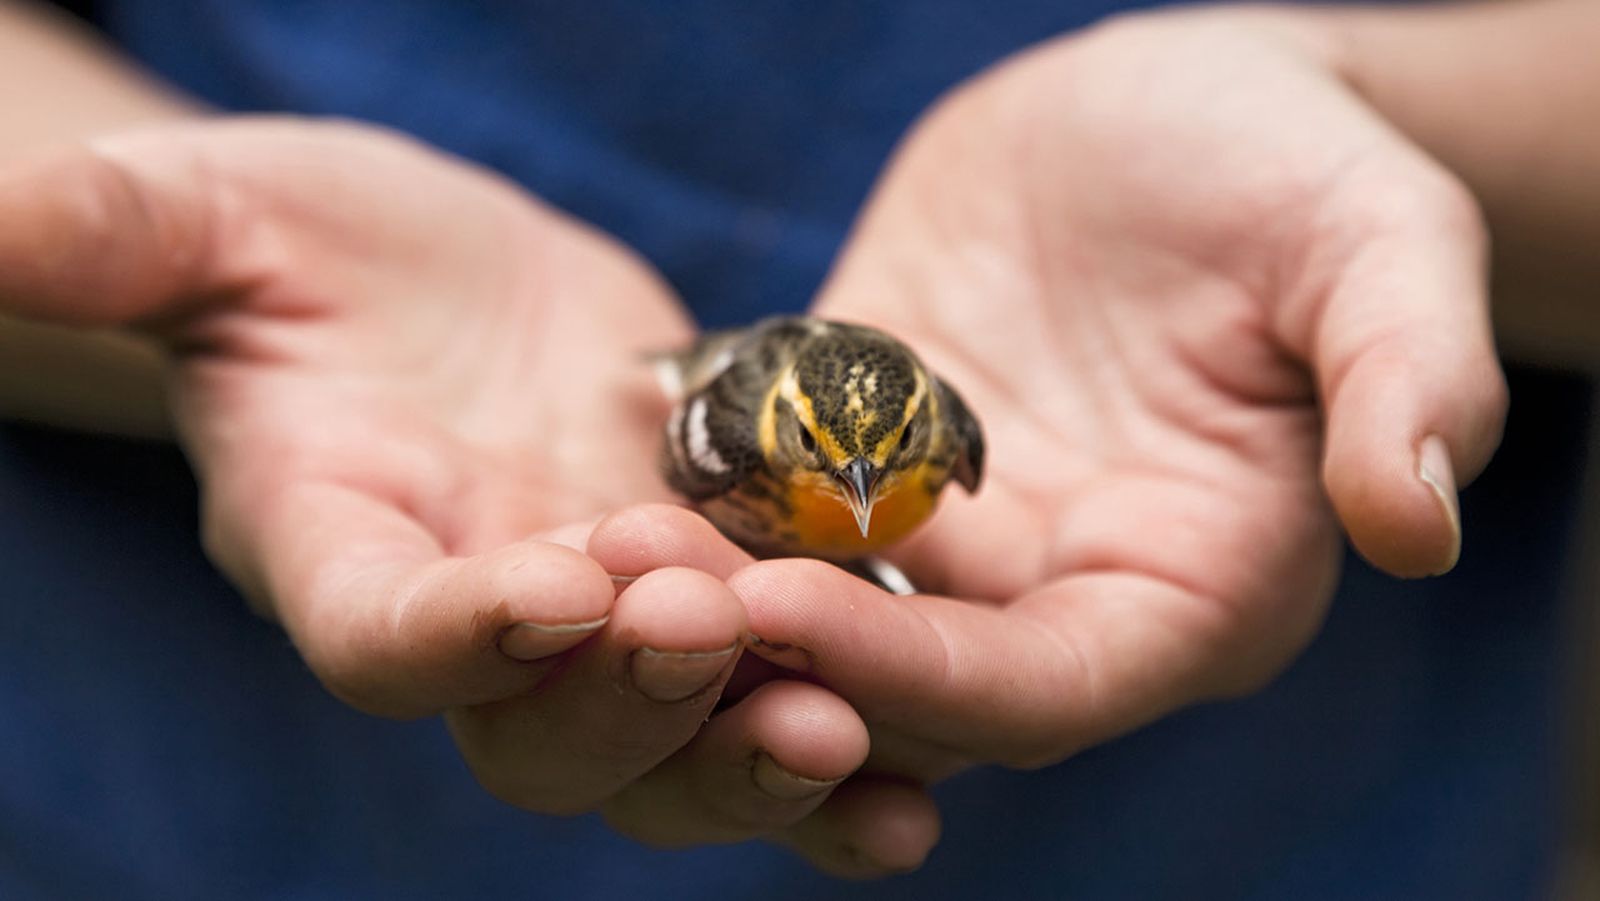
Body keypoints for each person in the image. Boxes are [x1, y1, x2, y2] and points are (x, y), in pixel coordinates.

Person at [0, 0, 1593, 896]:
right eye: (813, 477)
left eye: (867, 484)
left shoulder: (943, 439)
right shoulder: (717, 435)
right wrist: (221, 306)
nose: (842, 494)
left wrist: (1384, 102)